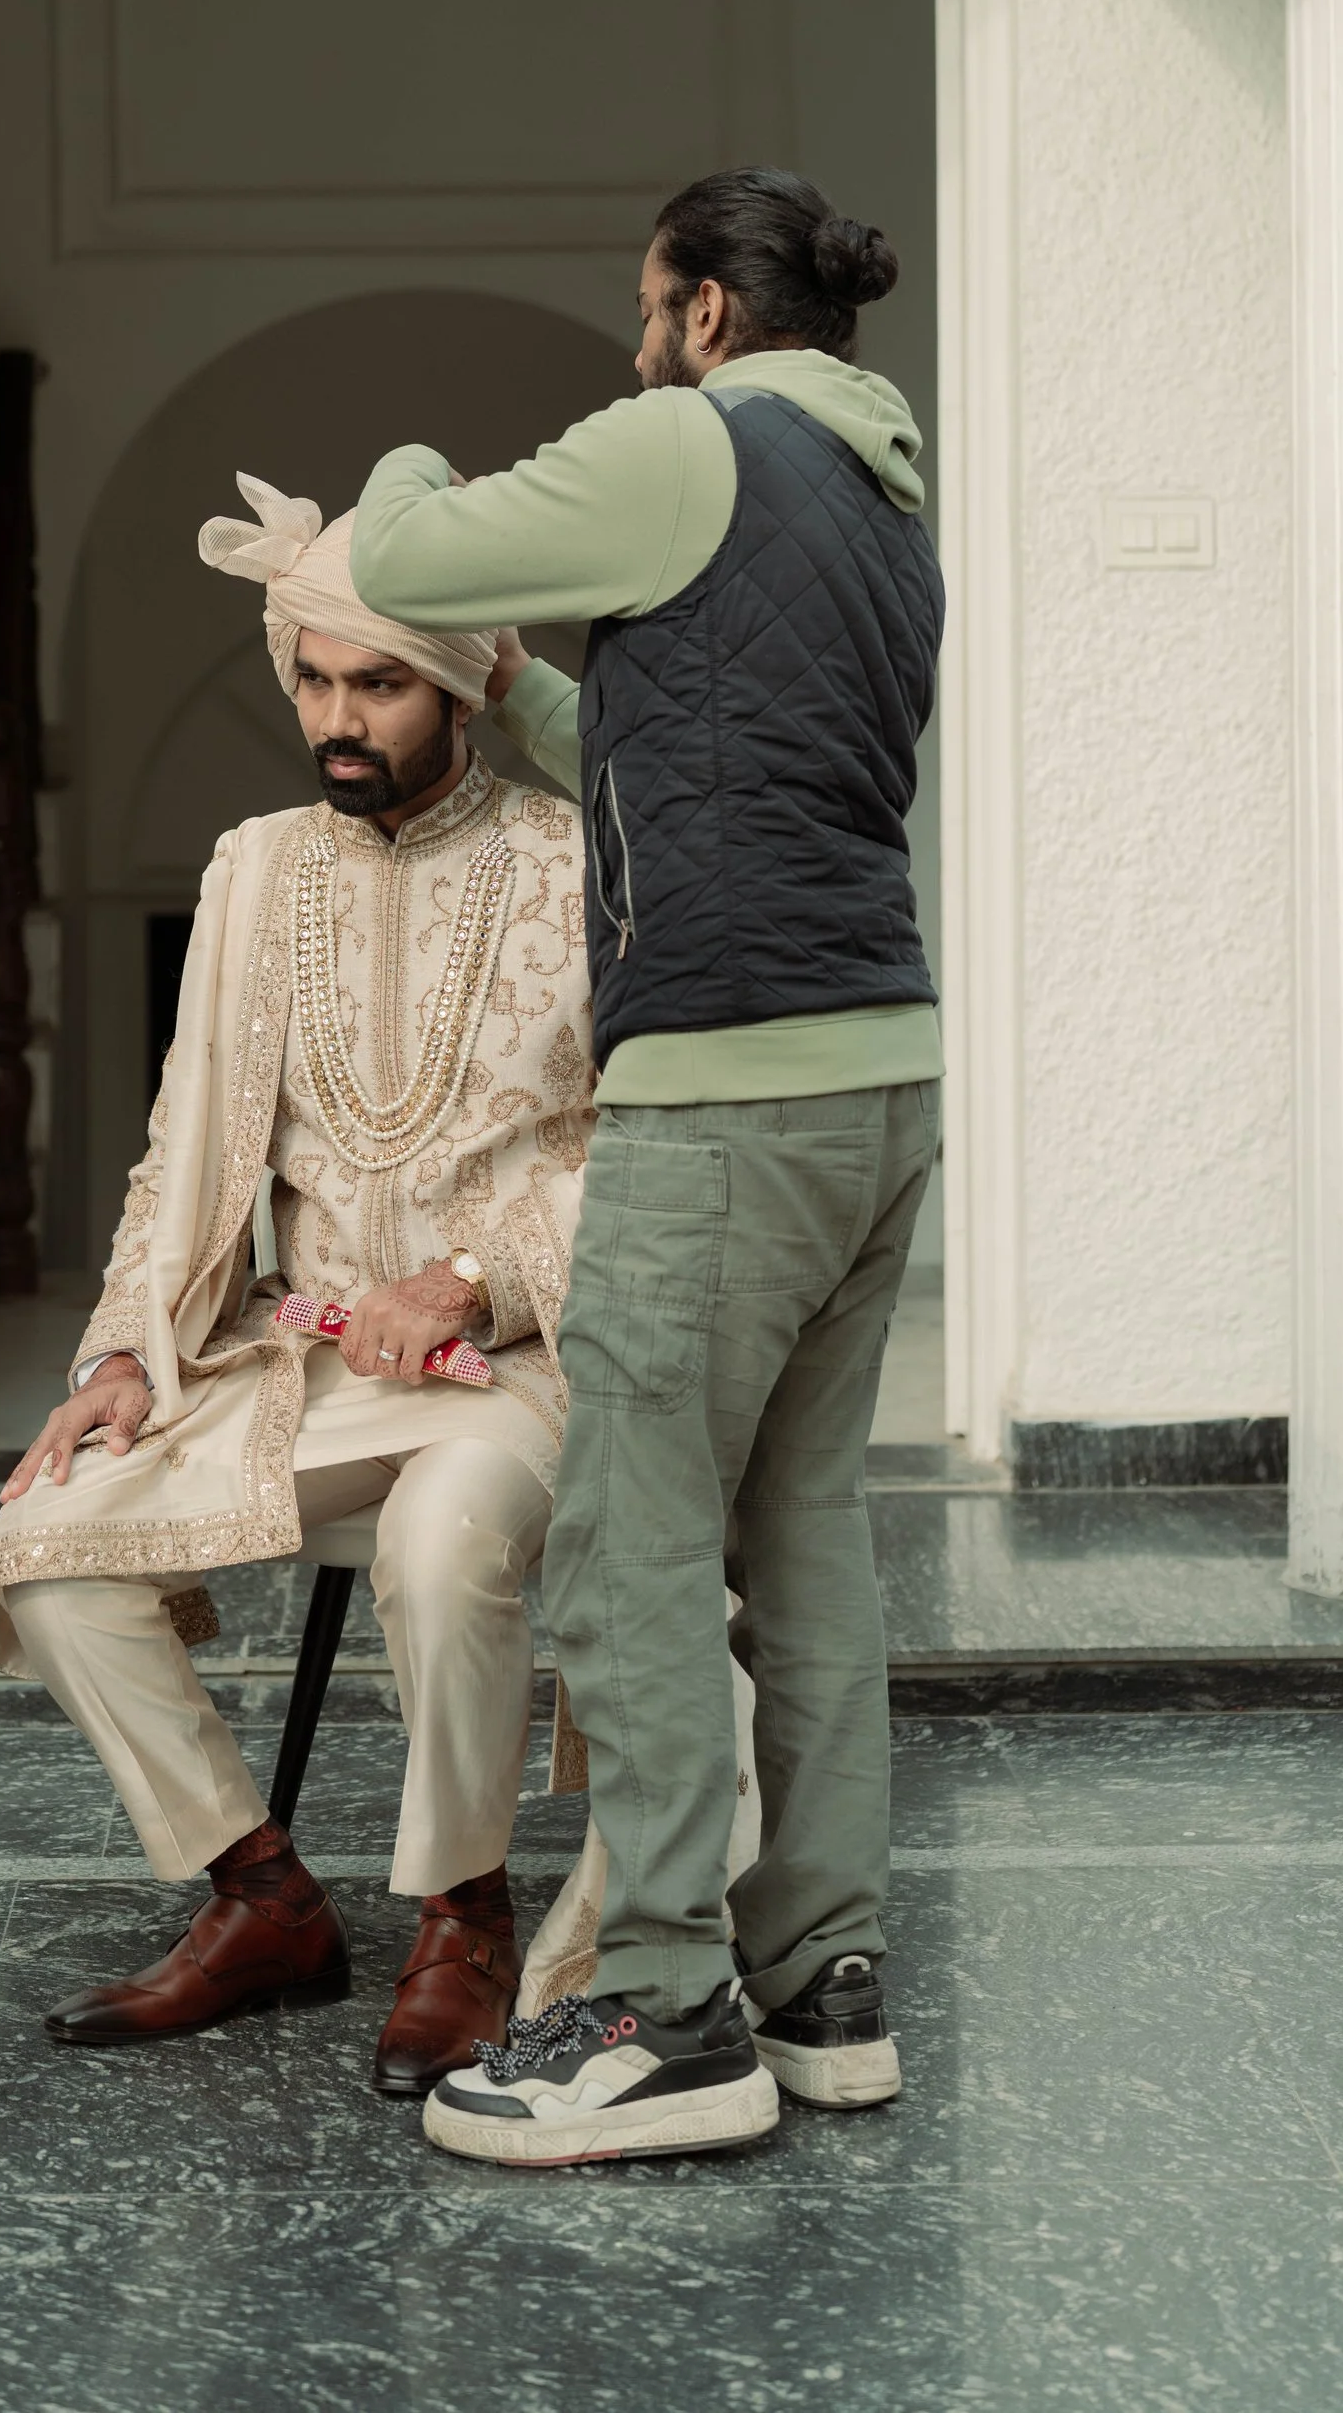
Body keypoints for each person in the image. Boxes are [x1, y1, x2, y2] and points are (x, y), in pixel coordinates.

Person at [349, 167, 943, 2168]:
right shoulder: (875, 492)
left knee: (621, 1547)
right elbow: (676, 735)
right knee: (803, 1537)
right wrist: (523, 691)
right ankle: (819, 1981)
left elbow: (414, 551)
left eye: (641, 307)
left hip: (731, 1099)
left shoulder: (685, 439)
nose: (628, 342)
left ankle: (663, 2009)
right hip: (872, 1079)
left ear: (703, 311)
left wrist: (401, 448)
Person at [0, 473, 593, 2098]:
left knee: (446, 1535)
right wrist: (121, 1349)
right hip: (293, 1364)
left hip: (514, 1369)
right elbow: (184, 1141)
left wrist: (475, 1278)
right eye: (311, 678)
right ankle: (264, 1895)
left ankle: (465, 1914)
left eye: (376, 682)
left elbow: (653, 1146)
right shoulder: (253, 868)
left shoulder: (571, 859)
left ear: (457, 680)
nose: (337, 716)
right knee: (40, 1542)